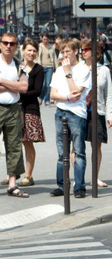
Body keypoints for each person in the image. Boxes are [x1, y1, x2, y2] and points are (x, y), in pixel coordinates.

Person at [49, 39, 92, 199]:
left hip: (77, 115)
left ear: (75, 52)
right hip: (60, 113)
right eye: (63, 52)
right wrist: (66, 97)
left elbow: (78, 93)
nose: (65, 55)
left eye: (68, 51)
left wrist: (68, 73)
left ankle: (79, 187)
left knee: (79, 151)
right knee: (62, 152)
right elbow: (53, 95)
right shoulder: (58, 70)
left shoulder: (83, 70)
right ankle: (62, 185)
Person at [81, 40, 112, 187]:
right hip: (80, 112)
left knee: (97, 145)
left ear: (96, 52)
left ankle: (95, 177)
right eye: (82, 50)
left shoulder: (104, 70)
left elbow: (109, 94)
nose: (83, 52)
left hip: (98, 111)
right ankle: (79, 177)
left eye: (87, 49)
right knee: (77, 147)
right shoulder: (78, 69)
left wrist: (110, 116)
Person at [0, 32, 28, 198]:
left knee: (14, 146)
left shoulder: (20, 64)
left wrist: (2, 81)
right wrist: (14, 85)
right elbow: (18, 86)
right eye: (5, 43)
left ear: (17, 46)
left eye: (12, 43)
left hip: (13, 108)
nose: (8, 46)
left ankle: (12, 184)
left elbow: (24, 87)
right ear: (0, 44)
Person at [18, 39, 45, 188]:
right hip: (15, 109)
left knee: (28, 142)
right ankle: (13, 173)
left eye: (34, 51)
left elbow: (38, 91)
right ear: (23, 51)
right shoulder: (17, 67)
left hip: (30, 109)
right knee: (14, 143)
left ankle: (28, 175)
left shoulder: (38, 69)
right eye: (29, 50)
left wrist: (19, 91)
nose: (31, 53)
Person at [38, 33, 57, 106]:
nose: (45, 41)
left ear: (49, 39)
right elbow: (37, 57)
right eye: (44, 39)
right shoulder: (40, 47)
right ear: (42, 39)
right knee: (43, 84)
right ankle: (40, 98)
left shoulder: (51, 47)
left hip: (49, 67)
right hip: (41, 67)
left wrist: (56, 68)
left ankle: (47, 100)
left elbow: (54, 58)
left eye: (46, 39)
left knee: (48, 85)